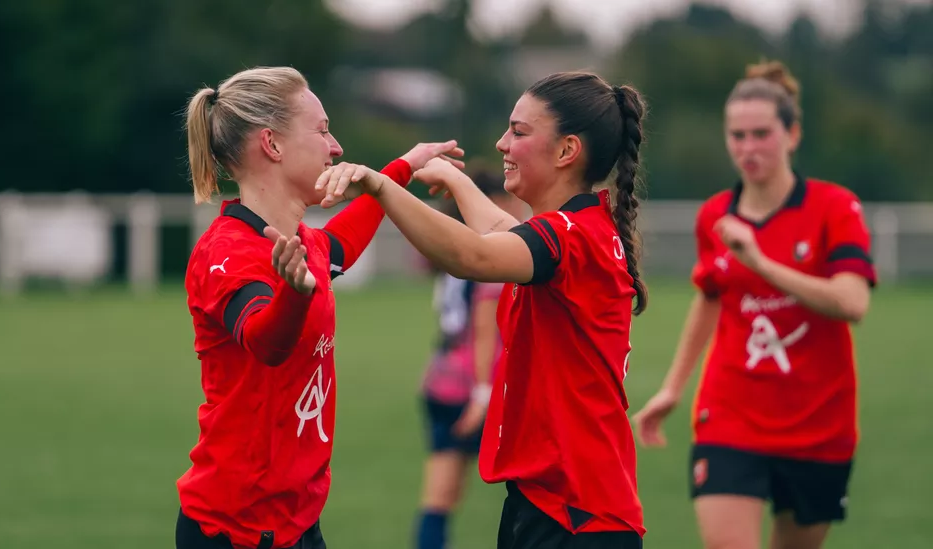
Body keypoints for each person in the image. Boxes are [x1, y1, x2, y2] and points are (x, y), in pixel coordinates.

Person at [310, 71, 649, 549]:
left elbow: (474, 255)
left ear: (566, 151)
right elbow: (499, 232)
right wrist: (454, 178)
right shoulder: (579, 229)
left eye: (519, 131)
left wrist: (383, 187)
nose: (502, 142)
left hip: (577, 514)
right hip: (558, 501)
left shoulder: (570, 236)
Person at [177, 66, 463, 549]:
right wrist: (294, 293)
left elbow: (343, 240)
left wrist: (397, 172)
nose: (336, 147)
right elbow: (265, 341)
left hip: (297, 522)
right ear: (272, 145)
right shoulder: (225, 251)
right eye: (323, 129)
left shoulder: (304, 243)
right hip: (236, 529)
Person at [632, 60, 876, 549]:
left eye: (761, 133)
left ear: (793, 134)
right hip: (730, 415)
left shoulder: (835, 208)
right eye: (736, 135)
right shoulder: (714, 216)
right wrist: (673, 388)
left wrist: (761, 262)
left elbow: (853, 302)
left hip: (819, 423)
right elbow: (710, 298)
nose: (747, 148)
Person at [414, 165, 526, 549]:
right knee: (536, 497)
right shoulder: (493, 256)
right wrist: (482, 394)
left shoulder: (453, 247)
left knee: (439, 497)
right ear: (493, 202)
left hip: (441, 381)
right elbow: (483, 328)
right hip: (476, 390)